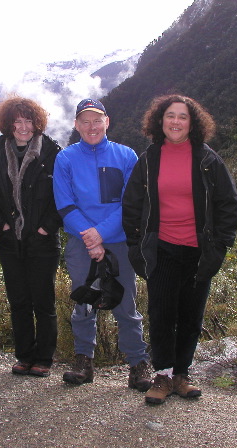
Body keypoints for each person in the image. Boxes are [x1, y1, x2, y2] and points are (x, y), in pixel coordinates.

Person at [122, 94, 237, 404]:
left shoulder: (207, 160)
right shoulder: (148, 160)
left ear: (193, 122)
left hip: (198, 252)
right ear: (159, 121)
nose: (176, 121)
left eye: (182, 116)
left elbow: (228, 205)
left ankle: (182, 376)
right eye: (170, 116)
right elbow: (132, 205)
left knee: (190, 316)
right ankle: (162, 376)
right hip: (160, 249)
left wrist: (220, 247)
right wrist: (135, 246)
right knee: (161, 314)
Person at [53, 98, 152, 391]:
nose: (91, 126)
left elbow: (130, 203)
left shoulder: (126, 156)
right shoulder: (66, 159)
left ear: (107, 122)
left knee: (126, 304)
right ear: (76, 125)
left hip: (118, 243)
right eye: (85, 121)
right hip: (81, 243)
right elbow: (65, 204)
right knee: (85, 303)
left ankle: (137, 364)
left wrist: (100, 234)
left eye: (97, 120)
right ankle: (84, 361)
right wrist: (91, 237)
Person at [0, 96, 62, 377]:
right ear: (8, 124)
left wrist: (45, 228)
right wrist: (0, 224)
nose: (23, 127)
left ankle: (44, 358)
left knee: (43, 301)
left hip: (42, 241)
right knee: (19, 301)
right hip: (9, 241)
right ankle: (24, 355)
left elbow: (61, 196)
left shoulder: (51, 152)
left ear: (36, 122)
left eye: (28, 120)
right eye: (17, 121)